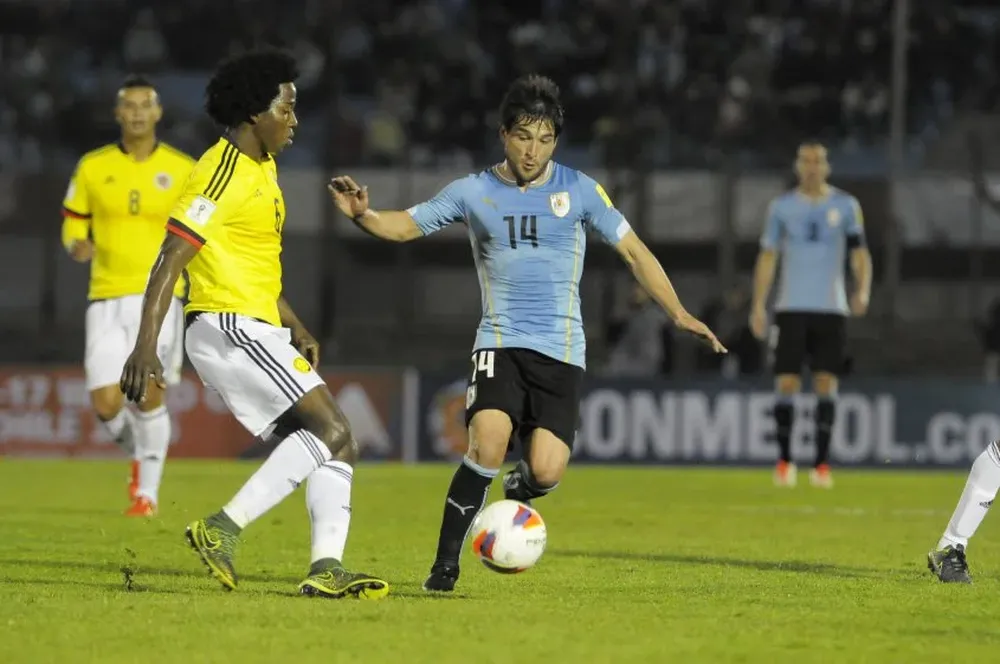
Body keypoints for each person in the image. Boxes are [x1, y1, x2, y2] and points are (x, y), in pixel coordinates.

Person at [327, 74, 727, 593]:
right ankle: (444, 568)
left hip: (562, 351)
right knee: (487, 444)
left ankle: (522, 486)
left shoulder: (580, 189)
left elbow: (633, 251)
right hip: (500, 341)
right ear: (503, 135)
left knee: (546, 470)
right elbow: (406, 225)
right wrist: (364, 215)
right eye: (523, 137)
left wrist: (678, 312)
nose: (533, 150)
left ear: (556, 142)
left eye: (544, 139)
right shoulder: (473, 191)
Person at [119, 48, 388, 600]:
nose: (294, 121)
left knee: (336, 445)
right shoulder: (220, 172)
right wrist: (145, 346)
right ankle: (222, 527)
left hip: (256, 324)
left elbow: (254, 264)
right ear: (252, 113)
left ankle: (326, 568)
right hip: (230, 326)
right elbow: (170, 259)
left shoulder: (261, 169)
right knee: (333, 430)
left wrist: (296, 325)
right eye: (285, 109)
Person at [62, 75, 194, 516]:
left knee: (149, 395)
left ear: (158, 113)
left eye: (144, 105)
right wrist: (75, 243)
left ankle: (146, 496)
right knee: (105, 403)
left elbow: (197, 230)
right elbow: (73, 220)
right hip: (105, 296)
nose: (137, 113)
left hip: (159, 299)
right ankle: (142, 454)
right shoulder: (92, 166)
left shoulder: (182, 168)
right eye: (129, 106)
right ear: (118, 113)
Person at [749, 142, 872, 489]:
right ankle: (785, 460)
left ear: (827, 166)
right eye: (806, 160)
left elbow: (859, 253)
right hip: (790, 307)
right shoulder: (782, 207)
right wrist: (758, 304)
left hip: (831, 308)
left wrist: (862, 289)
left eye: (818, 160)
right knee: (786, 382)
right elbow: (768, 256)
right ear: (798, 165)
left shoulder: (846, 206)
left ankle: (820, 464)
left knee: (826, 383)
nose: (812, 166)